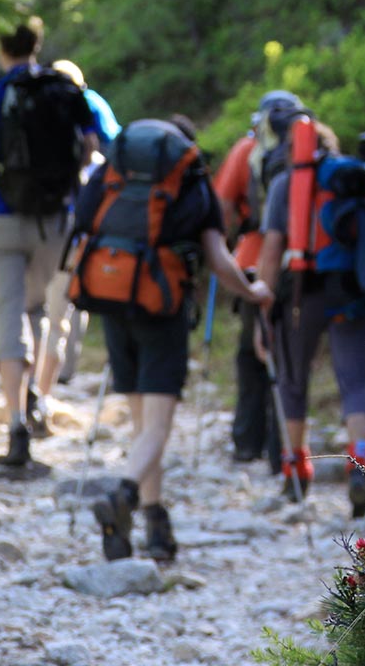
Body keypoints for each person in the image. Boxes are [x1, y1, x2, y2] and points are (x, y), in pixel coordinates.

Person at [71, 117, 272, 561]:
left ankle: (154, 525)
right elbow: (220, 261)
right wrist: (253, 290)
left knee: (144, 426)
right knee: (157, 428)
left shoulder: (115, 175)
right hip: (162, 309)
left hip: (113, 299)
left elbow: (83, 222)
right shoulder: (190, 183)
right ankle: (124, 497)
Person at [0, 17, 98, 467]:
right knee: (42, 311)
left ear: (1, 47)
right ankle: (40, 395)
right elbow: (92, 150)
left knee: (9, 315)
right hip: (56, 219)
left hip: (2, 218)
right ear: (38, 44)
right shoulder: (65, 90)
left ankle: (16, 427)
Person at [258, 118, 365, 515]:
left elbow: (271, 253)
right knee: (356, 382)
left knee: (292, 380)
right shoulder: (362, 180)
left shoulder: (286, 184)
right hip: (356, 294)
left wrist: (264, 313)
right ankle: (360, 465)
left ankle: (296, 469)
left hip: (300, 296)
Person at [26, 58, 121, 435]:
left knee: (29, 315)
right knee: (58, 322)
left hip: (30, 231)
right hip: (71, 244)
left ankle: (23, 398)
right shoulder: (92, 125)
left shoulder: (31, 122)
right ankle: (42, 398)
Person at [213, 91, 303, 468]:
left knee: (253, 354)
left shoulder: (246, 149)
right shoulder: (309, 152)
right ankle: (280, 446)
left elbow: (222, 204)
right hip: (300, 260)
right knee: (286, 352)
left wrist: (226, 242)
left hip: (254, 257)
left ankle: (247, 441)